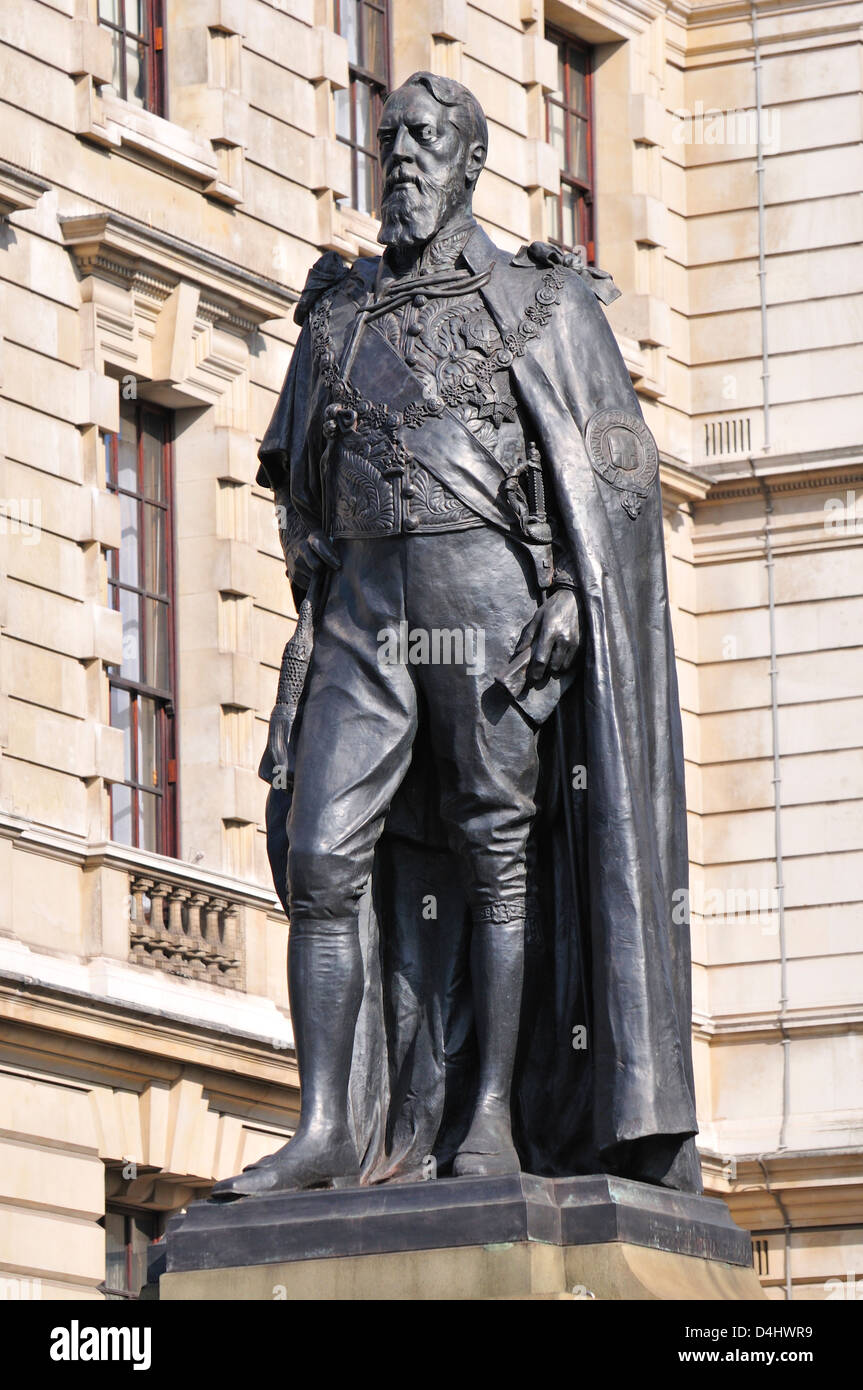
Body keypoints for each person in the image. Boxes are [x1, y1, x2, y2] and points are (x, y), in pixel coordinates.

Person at [213, 72, 701, 1201]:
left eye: (425, 143)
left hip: (487, 597)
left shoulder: (539, 302)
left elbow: (616, 484)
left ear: (471, 161)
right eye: (387, 143)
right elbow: (299, 488)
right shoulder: (337, 313)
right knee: (321, 853)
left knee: (497, 851)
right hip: (364, 611)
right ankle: (329, 1125)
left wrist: (580, 595)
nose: (400, 163)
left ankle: (489, 1115)